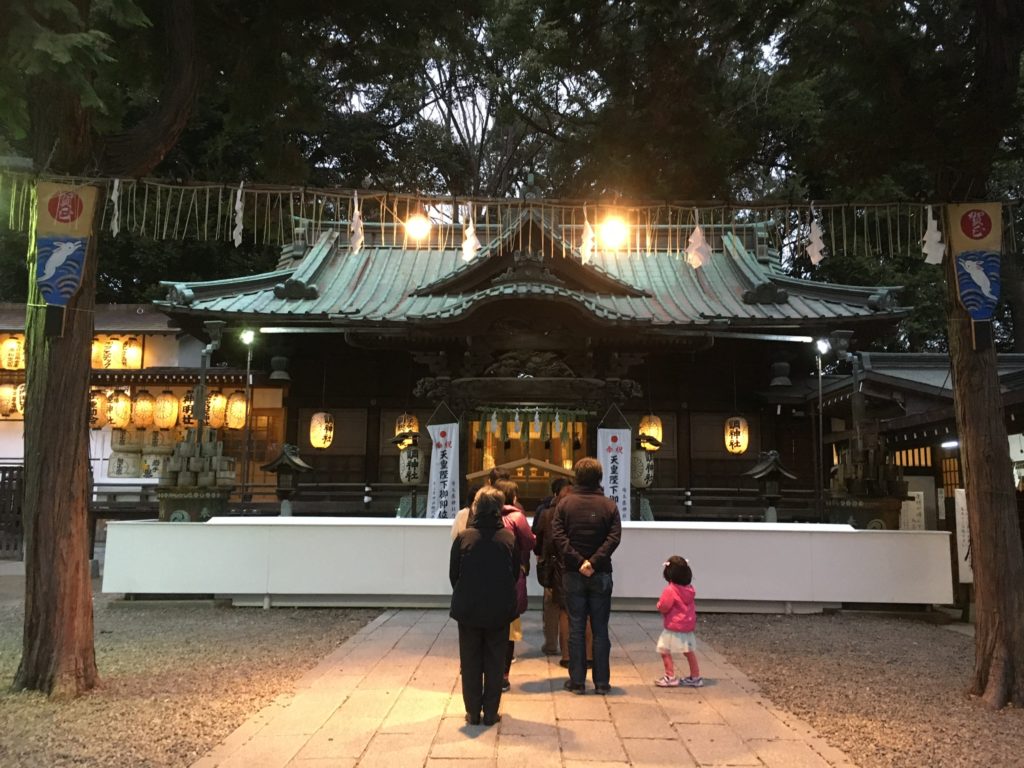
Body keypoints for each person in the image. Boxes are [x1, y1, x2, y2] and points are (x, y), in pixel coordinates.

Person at [551, 456, 621, 695]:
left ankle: (577, 681)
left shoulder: (565, 504)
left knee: (576, 627)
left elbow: (558, 537)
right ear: (600, 477)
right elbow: (614, 538)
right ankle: (602, 682)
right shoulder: (609, 505)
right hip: (601, 573)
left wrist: (579, 561)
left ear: (576, 477)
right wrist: (594, 561)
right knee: (601, 629)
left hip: (573, 573)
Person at [449, 486, 518, 725]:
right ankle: (490, 712)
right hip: (499, 609)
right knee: (495, 661)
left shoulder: (464, 538)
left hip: (468, 608)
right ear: (498, 510)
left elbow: (453, 575)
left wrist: (467, 591)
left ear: (476, 509)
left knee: (470, 660)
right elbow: (516, 572)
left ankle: (472, 712)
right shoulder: (508, 538)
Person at [494, 479, 535, 692]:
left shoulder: (483, 514)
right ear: (513, 497)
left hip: (488, 578)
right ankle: (502, 675)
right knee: (509, 628)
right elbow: (529, 542)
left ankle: (487, 672)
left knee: (489, 626)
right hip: (511, 576)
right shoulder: (517, 516)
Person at [532, 477, 571, 655]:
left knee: (551, 605)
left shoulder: (546, 512)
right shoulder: (575, 511)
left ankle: (550, 644)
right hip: (572, 564)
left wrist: (540, 555)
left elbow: (538, 539)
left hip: (550, 564)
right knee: (568, 607)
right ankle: (567, 649)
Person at [654, 555, 703, 688]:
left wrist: (659, 606)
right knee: (688, 651)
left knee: (664, 649)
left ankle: (670, 677)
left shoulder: (670, 590)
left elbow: (664, 606)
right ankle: (695, 676)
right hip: (687, 625)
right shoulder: (689, 589)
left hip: (673, 626)